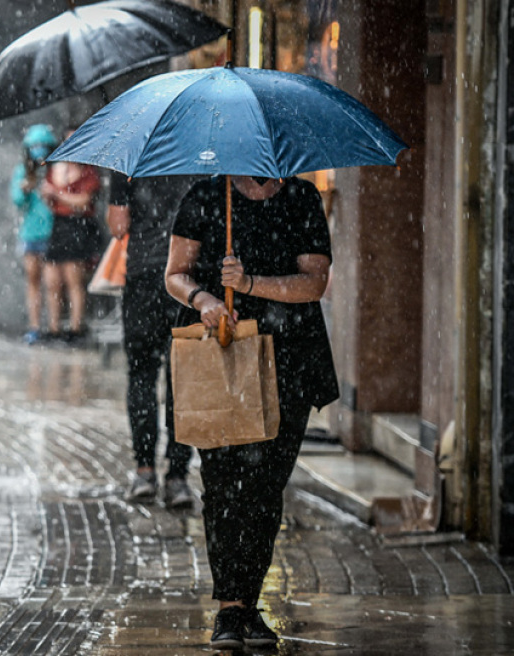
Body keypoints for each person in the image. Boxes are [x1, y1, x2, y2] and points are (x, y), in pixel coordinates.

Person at [165, 175, 338, 650]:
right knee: (222, 484)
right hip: (221, 358)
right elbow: (176, 274)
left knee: (265, 488)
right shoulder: (205, 196)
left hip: (290, 363)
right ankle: (229, 610)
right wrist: (204, 299)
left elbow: (314, 283)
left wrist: (250, 283)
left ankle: (248, 601)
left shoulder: (302, 197)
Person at [106, 173, 197, 507]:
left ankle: (144, 471)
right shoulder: (201, 150)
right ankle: (177, 477)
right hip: (189, 282)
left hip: (144, 277)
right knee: (182, 380)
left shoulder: (131, 158)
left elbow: (118, 227)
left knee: (142, 374)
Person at [39, 130, 101, 342]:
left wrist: (58, 194)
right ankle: (53, 327)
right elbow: (53, 200)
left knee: (74, 278)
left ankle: (76, 327)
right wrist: (51, 195)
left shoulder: (87, 171)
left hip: (78, 227)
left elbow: (84, 201)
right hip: (59, 225)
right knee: (52, 279)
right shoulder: (56, 169)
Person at [9, 124, 58, 344]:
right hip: (31, 233)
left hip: (52, 232)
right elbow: (17, 200)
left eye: (43, 146)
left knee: (52, 283)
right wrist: (24, 189)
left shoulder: (55, 170)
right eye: (35, 146)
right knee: (33, 281)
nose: (39, 150)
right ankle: (35, 326)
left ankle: (54, 326)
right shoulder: (22, 171)